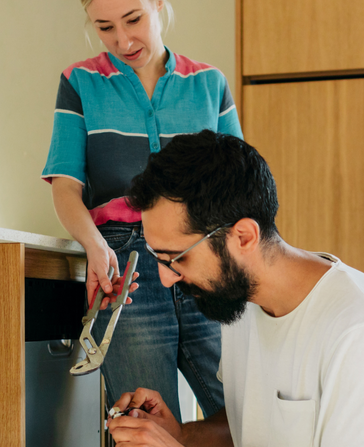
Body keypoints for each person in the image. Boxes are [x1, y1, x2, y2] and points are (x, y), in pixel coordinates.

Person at [107, 130, 364, 447]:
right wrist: (179, 435)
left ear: (244, 237)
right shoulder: (240, 302)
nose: (166, 279)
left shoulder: (359, 329)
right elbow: (245, 427)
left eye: (176, 258)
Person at [41, 0, 241, 420]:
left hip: (205, 257)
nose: (123, 40)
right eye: (105, 27)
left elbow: (237, 187)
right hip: (123, 267)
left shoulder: (209, 83)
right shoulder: (80, 82)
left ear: (159, 6)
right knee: (148, 429)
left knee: (244, 416)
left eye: (134, 19)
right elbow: (65, 187)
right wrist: (95, 247)